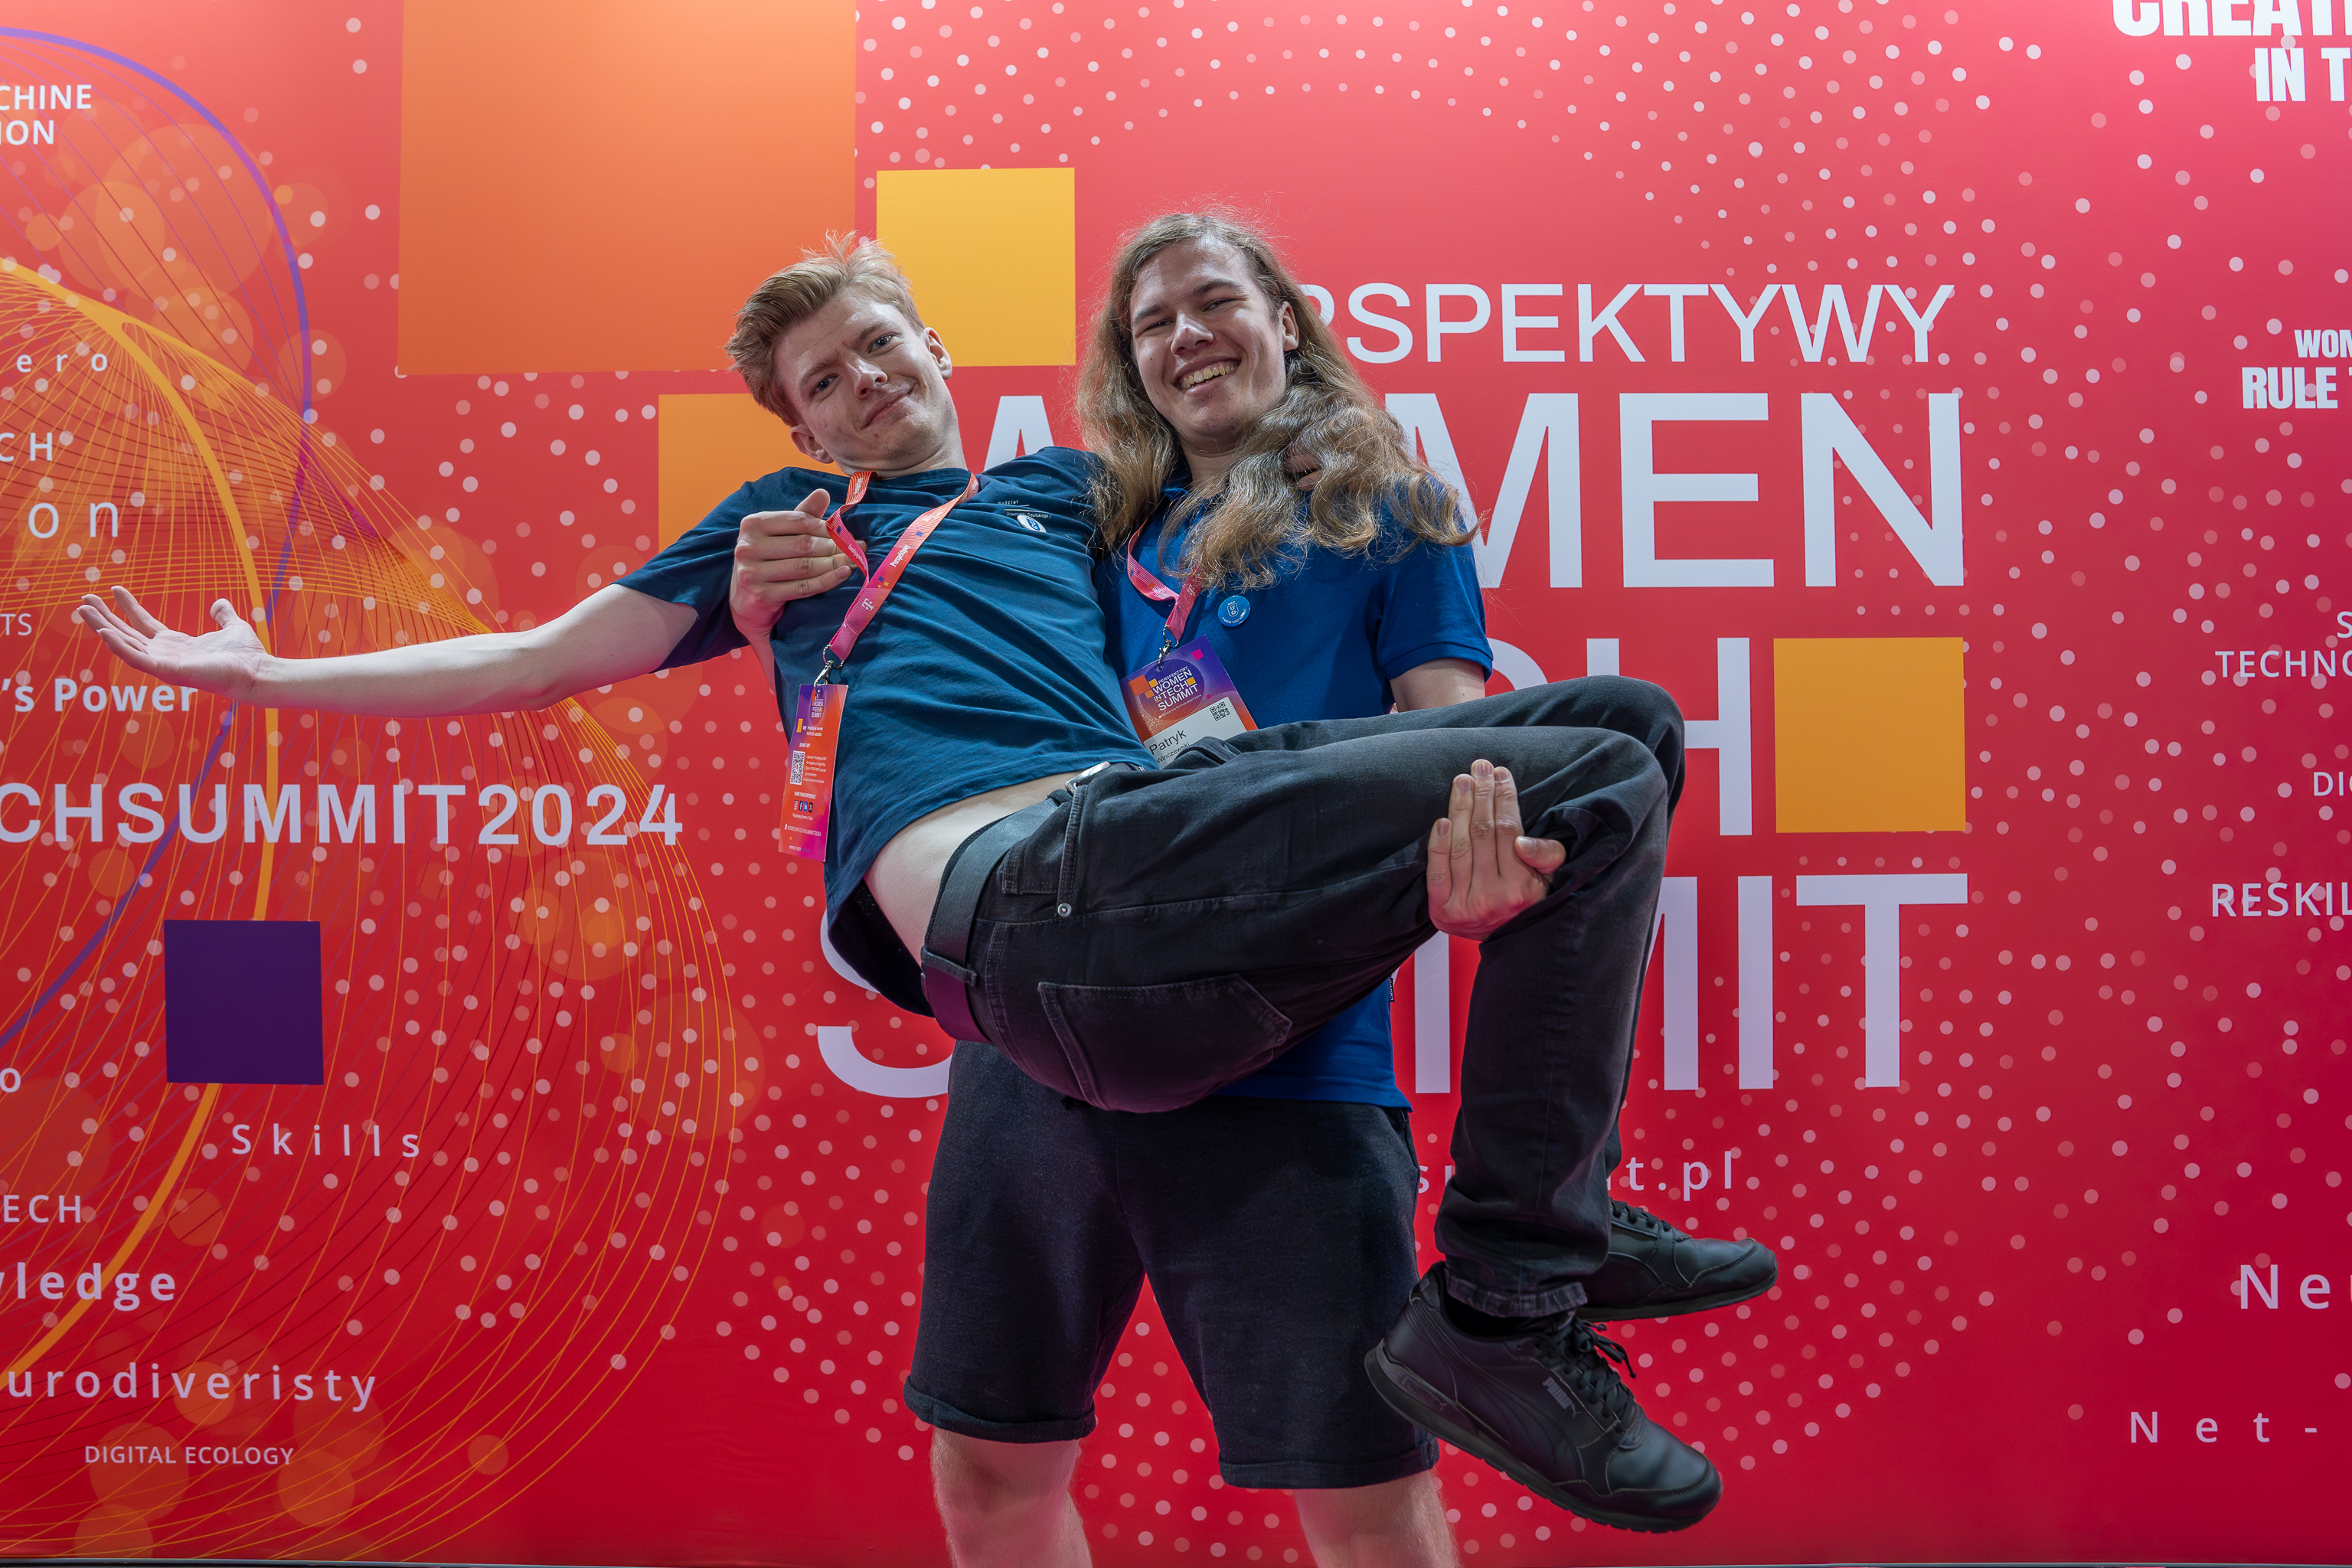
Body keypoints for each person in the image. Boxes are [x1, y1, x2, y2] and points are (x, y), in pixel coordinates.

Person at [74, 234, 1763, 1539]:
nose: (866, 381)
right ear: (801, 424)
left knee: (1622, 729)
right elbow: (535, 658)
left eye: (881, 343)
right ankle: (1517, 1287)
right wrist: (269, 674)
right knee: (992, 1455)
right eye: (825, 379)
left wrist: (1356, 479)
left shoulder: (1074, 499)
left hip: (1161, 861)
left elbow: (1251, 523)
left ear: (938, 350)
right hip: (1033, 909)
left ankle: (1530, 1259)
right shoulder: (788, 529)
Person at [906, 211, 1490, 1568]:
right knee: (987, 1473)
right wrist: (782, 585)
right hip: (1041, 1045)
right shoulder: (1089, 531)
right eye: (1151, 323)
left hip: (1289, 1056)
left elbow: (1451, 738)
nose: (1186, 337)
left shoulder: (1392, 511)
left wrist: (1471, 852)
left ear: (1283, 316)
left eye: (1213, 301)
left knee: (1364, 1502)